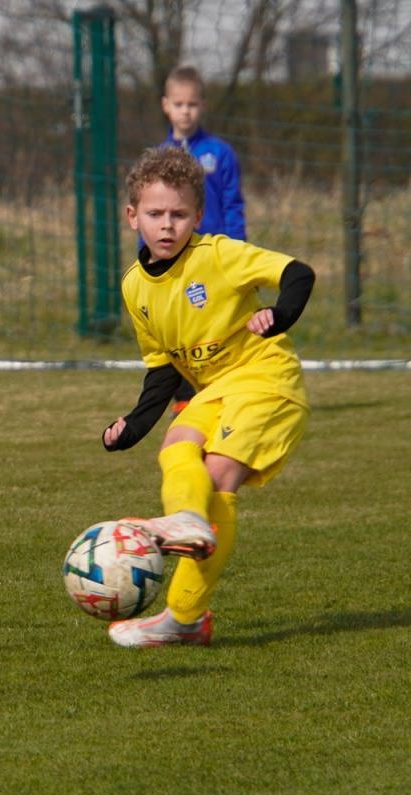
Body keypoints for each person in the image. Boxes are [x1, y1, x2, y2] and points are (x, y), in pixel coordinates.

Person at [101, 146, 315, 648]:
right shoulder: (135, 288)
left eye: (179, 214)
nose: (167, 225)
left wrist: (278, 316)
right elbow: (160, 370)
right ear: (133, 216)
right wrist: (131, 426)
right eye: (155, 214)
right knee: (176, 445)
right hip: (217, 389)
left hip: (267, 379)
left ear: (197, 215)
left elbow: (297, 273)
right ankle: (187, 523)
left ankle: (184, 616)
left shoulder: (217, 255)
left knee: (217, 474)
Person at [156, 65, 246, 414]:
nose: (185, 111)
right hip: (174, 257)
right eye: (179, 104)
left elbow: (233, 202)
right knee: (179, 325)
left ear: (202, 106)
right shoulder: (159, 155)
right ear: (166, 105)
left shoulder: (219, 153)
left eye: (192, 104)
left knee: (217, 321)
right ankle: (183, 397)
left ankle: (226, 387)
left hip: (213, 256)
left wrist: (235, 248)